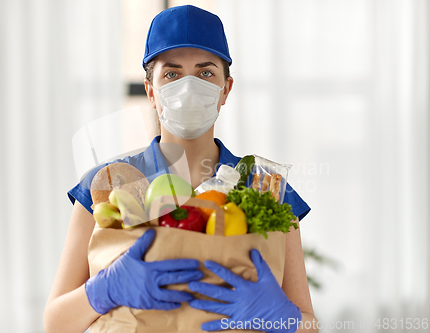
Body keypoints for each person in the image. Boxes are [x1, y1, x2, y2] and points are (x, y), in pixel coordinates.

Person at [44, 5, 317, 333]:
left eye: (205, 73)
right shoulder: (108, 185)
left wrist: (279, 317)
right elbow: (56, 323)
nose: (188, 87)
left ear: (225, 90)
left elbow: (307, 325)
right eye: (172, 74)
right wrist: (102, 291)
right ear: (151, 92)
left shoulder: (267, 190)